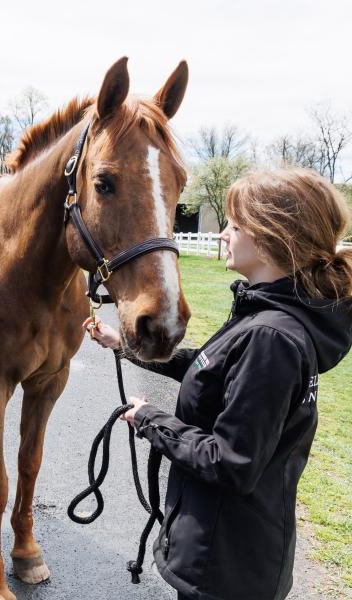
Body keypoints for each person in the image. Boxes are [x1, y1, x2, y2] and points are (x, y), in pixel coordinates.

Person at [84, 169, 352, 600]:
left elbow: (231, 462)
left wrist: (150, 420)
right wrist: (125, 347)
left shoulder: (271, 338)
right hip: (229, 552)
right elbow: (212, 370)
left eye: (234, 225)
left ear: (269, 236)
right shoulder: (265, 318)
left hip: (227, 566)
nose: (223, 235)